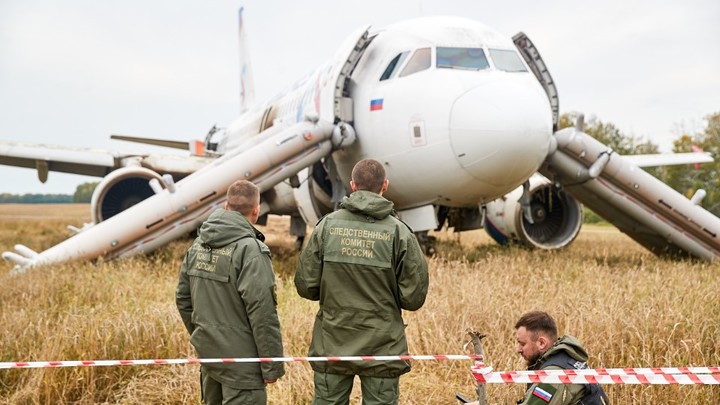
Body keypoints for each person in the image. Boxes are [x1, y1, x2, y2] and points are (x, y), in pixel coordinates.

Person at [294, 158, 429, 405]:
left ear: (352, 185)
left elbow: (306, 285)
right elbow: (413, 298)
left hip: (333, 342)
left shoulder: (326, 227)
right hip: (382, 346)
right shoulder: (400, 233)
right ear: (385, 185)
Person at [176, 180, 284, 405]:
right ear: (256, 211)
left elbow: (183, 299)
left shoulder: (197, 245)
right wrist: (271, 364)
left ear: (226, 206)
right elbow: (262, 312)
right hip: (243, 367)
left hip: (210, 357)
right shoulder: (251, 250)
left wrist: (204, 336)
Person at [514, 311, 609, 405]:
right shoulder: (568, 359)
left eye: (522, 344)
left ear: (542, 343)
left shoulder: (554, 374)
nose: (518, 349)